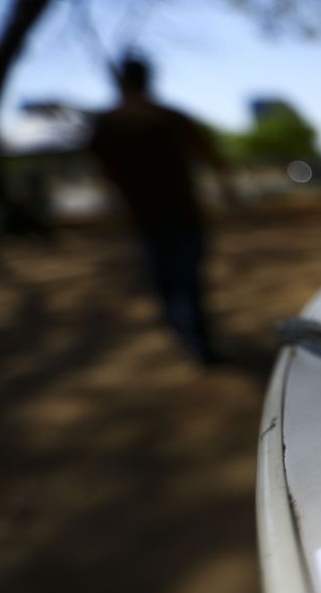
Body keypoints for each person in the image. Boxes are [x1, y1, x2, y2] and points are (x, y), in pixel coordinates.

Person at [88, 54, 232, 364]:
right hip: (179, 215)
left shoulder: (112, 123)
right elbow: (212, 157)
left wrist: (114, 207)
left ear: (121, 81)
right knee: (184, 282)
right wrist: (226, 192)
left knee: (170, 281)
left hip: (154, 218)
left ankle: (189, 336)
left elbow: (104, 172)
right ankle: (194, 339)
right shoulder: (165, 118)